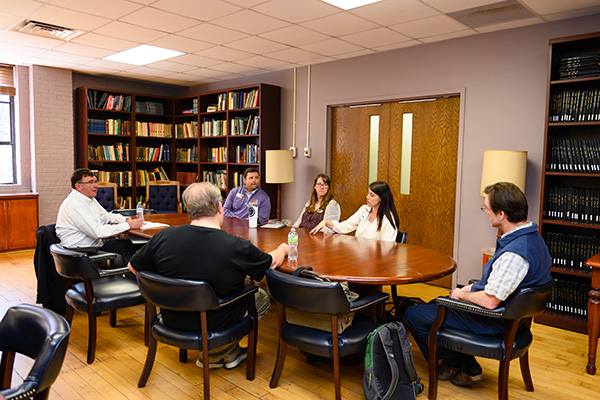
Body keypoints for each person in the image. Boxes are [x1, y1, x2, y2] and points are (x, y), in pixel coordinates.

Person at [403, 182, 552, 387]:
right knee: (433, 304)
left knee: (413, 315)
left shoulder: (514, 254)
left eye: (487, 208)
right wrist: (470, 288)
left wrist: (461, 296)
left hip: (496, 320)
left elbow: (490, 301)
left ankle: (456, 364)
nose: (486, 212)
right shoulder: (533, 238)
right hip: (512, 315)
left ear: (501, 214)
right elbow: (502, 284)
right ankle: (465, 366)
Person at [128, 182, 288, 370]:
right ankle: (214, 353)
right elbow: (270, 263)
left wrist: (166, 286)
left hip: (170, 317)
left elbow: (133, 266)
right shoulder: (235, 245)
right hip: (212, 321)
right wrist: (283, 248)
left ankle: (229, 353)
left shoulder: (164, 236)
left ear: (188, 209)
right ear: (220, 207)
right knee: (260, 296)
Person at [56, 168, 143, 264]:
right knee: (125, 248)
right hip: (80, 252)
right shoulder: (75, 204)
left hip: (92, 246)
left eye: (96, 182)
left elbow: (106, 216)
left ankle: (132, 276)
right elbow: (98, 232)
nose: (96, 186)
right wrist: (128, 226)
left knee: (125, 244)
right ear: (78, 186)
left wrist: (126, 220)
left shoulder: (88, 199)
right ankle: (132, 276)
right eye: (90, 182)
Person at [310, 181, 399, 242]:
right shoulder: (364, 210)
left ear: (381, 198)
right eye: (368, 194)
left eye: (372, 195)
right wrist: (326, 223)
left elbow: (388, 247)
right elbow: (345, 226)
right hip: (360, 256)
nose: (367, 197)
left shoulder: (387, 218)